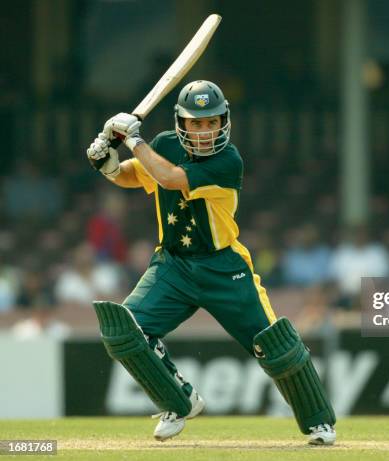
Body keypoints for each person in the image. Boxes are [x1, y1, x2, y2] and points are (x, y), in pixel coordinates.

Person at [86, 81, 336, 444]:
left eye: (212, 122)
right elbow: (135, 175)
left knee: (274, 345)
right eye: (196, 123)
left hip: (224, 268)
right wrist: (108, 164)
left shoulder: (227, 161)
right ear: (181, 124)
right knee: (125, 331)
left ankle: (319, 422)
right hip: (172, 265)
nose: (205, 131)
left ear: (224, 122)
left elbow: (170, 179)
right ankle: (178, 399)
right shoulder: (164, 146)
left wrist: (131, 139)